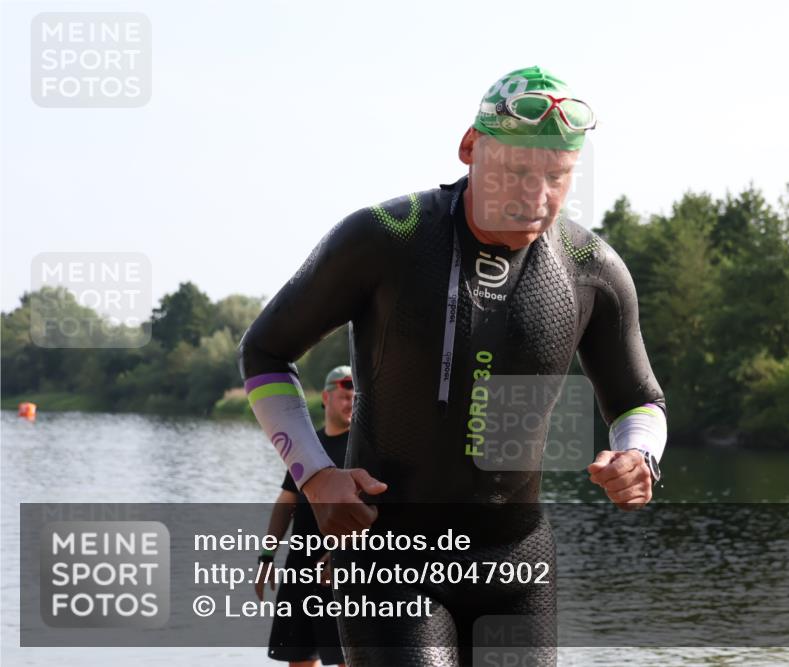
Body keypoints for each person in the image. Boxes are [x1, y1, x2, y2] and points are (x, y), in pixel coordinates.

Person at [239, 66, 667, 666]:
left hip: (518, 568)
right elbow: (264, 352)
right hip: (388, 560)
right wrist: (313, 475)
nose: (536, 197)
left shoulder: (590, 265)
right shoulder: (387, 236)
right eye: (517, 171)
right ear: (470, 147)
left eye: (557, 177)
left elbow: (640, 400)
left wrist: (638, 454)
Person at [254, 366, 354, 667]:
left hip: (341, 572)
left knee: (346, 660)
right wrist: (266, 556)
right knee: (298, 659)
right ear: (326, 397)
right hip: (299, 568)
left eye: (355, 397)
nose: (351, 402)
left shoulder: (361, 448)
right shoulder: (307, 446)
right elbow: (287, 502)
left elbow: (377, 513)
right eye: (345, 396)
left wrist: (343, 555)